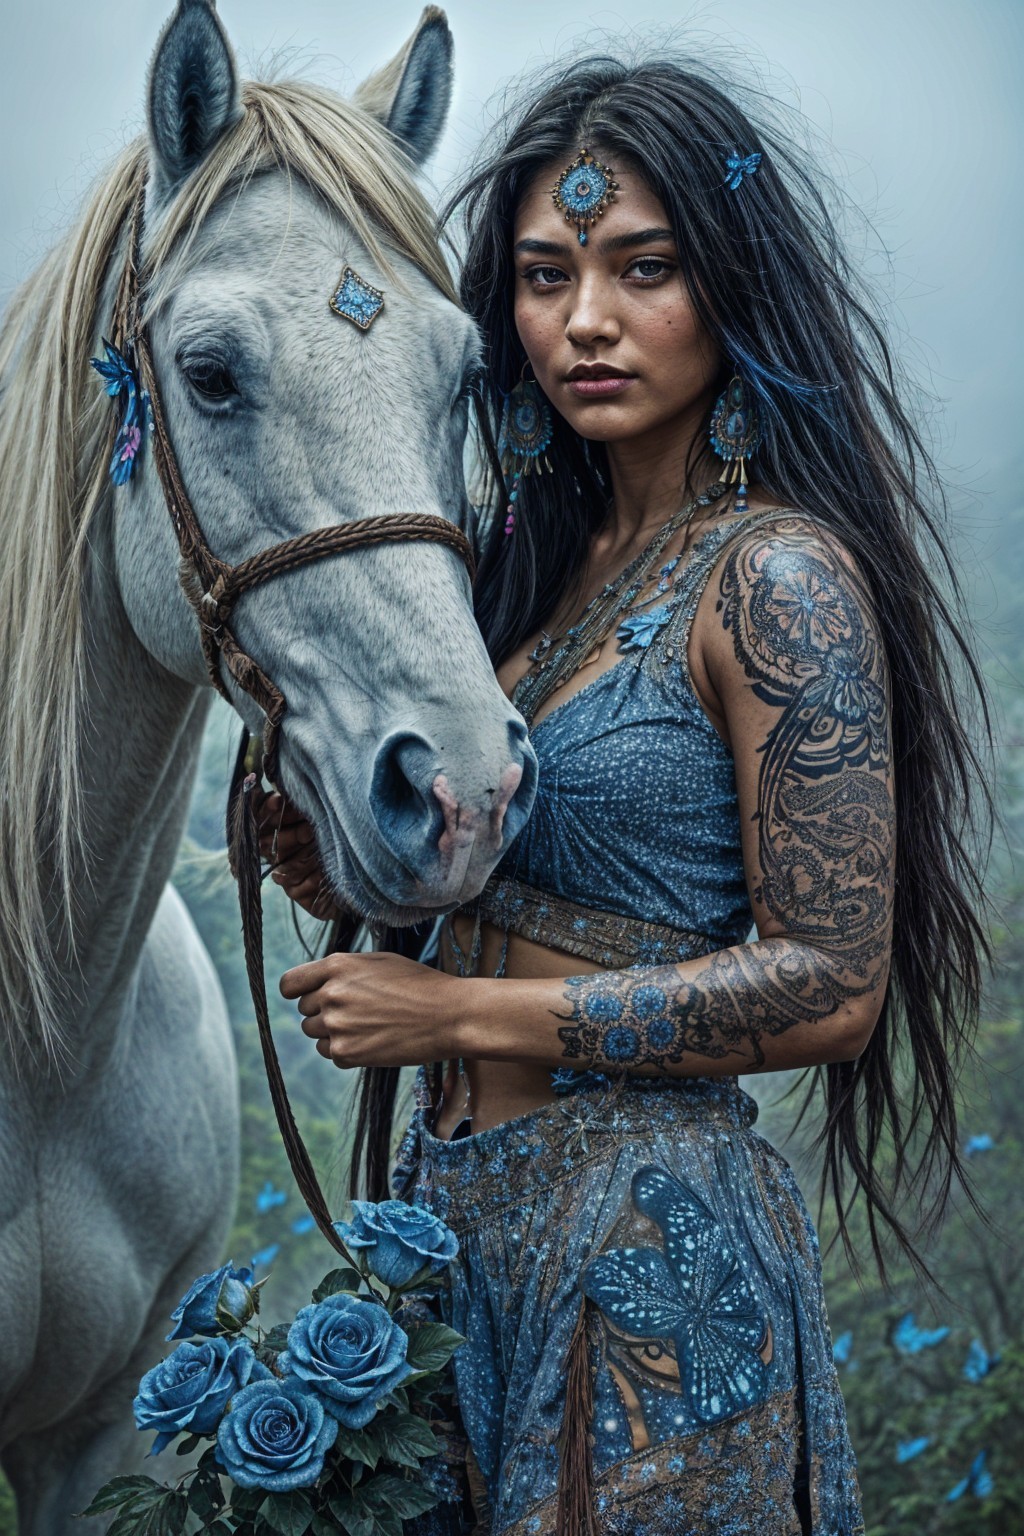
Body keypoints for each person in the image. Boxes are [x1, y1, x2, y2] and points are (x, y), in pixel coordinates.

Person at [261, 50, 990, 1536]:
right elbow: (559, 890)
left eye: (640, 268)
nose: (582, 320)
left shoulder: (775, 579)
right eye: (542, 276)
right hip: (456, 1239)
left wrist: (451, 1015)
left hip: (654, 1258)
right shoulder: (537, 584)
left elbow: (833, 986)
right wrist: (350, 879)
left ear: (730, 287)